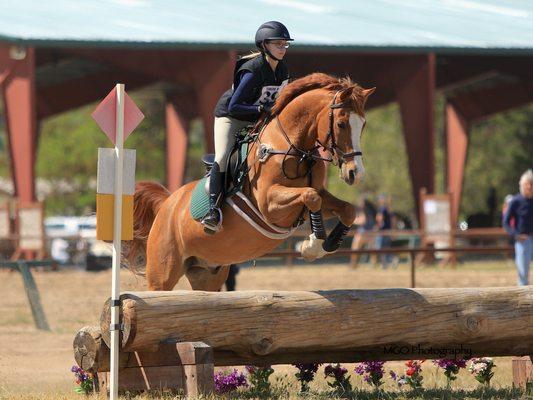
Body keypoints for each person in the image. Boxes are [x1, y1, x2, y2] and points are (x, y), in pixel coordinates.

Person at [202, 21, 293, 233]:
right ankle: (213, 211)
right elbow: (235, 105)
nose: (283, 48)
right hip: (231, 116)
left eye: (285, 44)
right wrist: (262, 108)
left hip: (257, 118)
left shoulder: (283, 70)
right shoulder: (253, 69)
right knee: (223, 156)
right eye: (278, 43)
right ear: (264, 45)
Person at [503, 169, 533, 286]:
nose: (530, 187)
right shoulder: (516, 201)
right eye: (527, 184)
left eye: (532, 184)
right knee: (523, 274)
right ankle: (524, 301)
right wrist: (515, 235)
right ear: (522, 185)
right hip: (523, 241)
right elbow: (505, 222)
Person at [374, 194, 393, 269]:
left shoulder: (382, 209)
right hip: (387, 231)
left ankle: (386, 263)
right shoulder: (387, 209)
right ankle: (386, 264)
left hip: (382, 232)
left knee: (380, 248)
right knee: (386, 248)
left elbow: (380, 219)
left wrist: (377, 227)